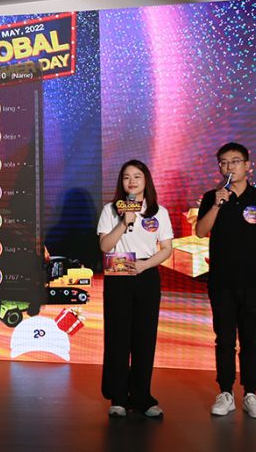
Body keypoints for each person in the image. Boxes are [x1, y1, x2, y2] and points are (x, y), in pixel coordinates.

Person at [195, 142, 256, 420]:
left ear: (247, 165)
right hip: (221, 282)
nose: (229, 166)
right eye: (223, 162)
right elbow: (200, 231)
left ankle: (251, 393)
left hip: (254, 282)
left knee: (251, 341)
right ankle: (226, 392)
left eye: (235, 161)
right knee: (224, 340)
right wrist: (217, 205)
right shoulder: (212, 196)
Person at [97, 160, 174, 419]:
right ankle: (118, 398)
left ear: (146, 180)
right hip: (118, 271)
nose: (131, 181)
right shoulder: (111, 210)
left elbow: (167, 248)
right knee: (118, 338)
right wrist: (123, 222)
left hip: (146, 272)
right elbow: (105, 246)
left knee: (144, 337)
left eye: (137, 176)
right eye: (126, 177)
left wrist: (144, 266)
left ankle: (142, 397)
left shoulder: (158, 212)